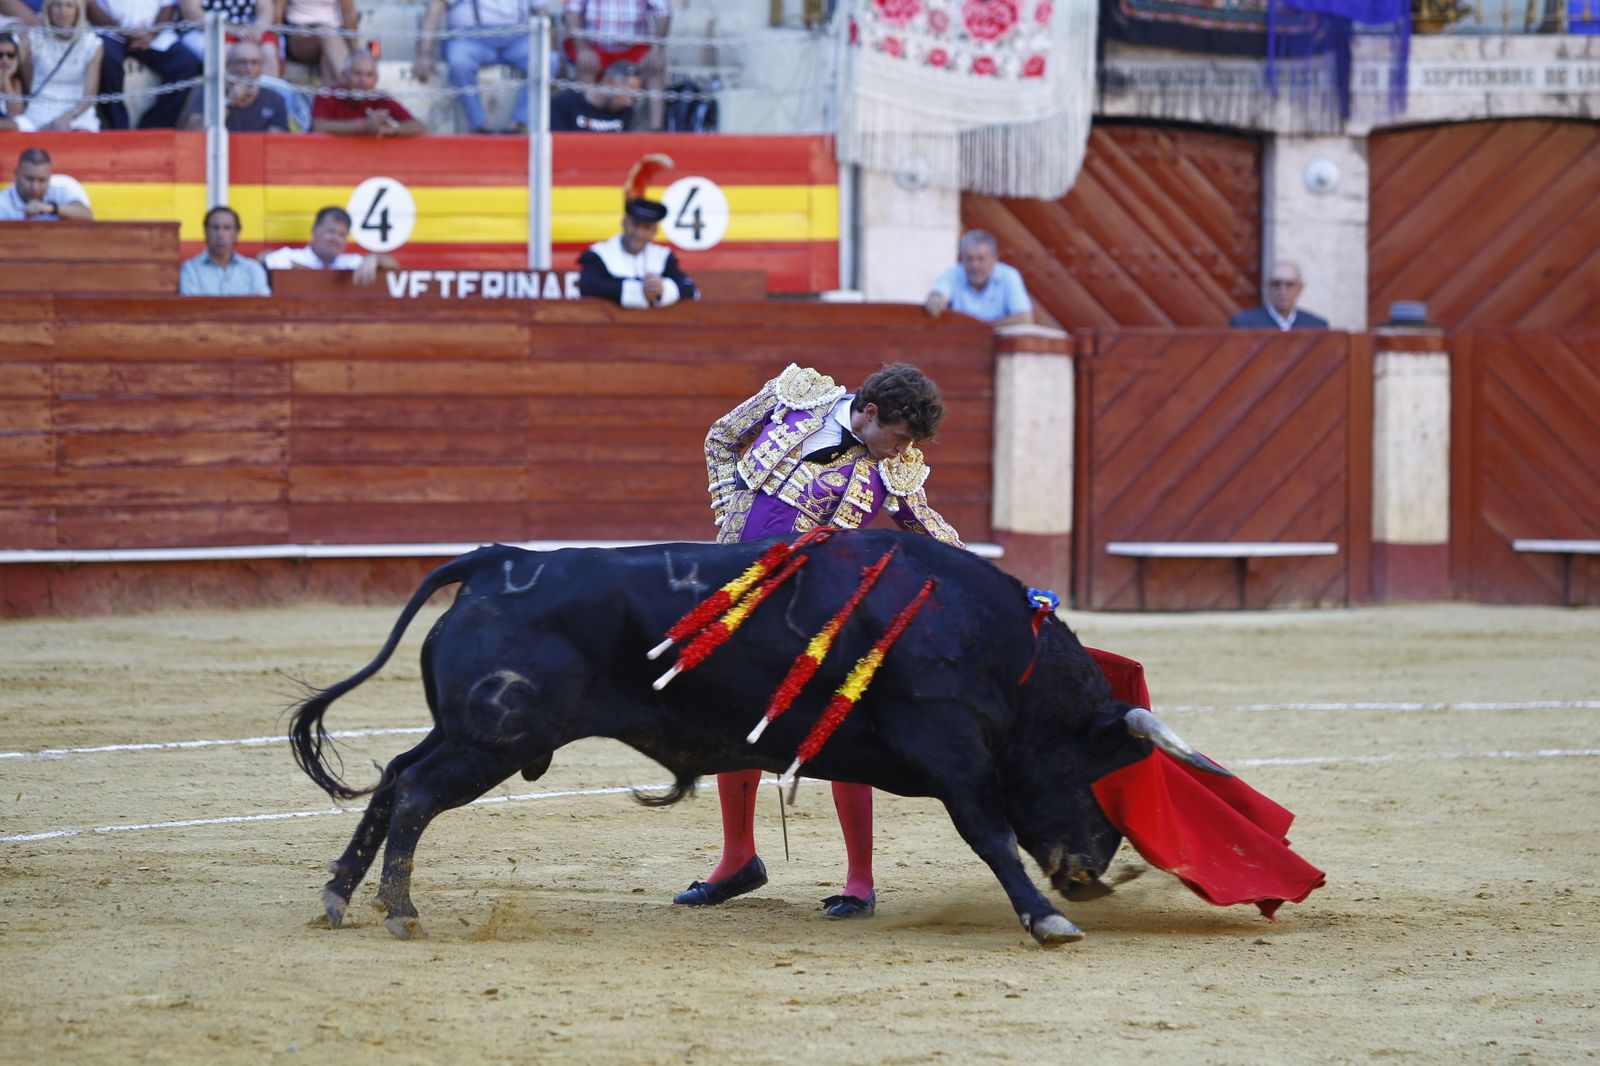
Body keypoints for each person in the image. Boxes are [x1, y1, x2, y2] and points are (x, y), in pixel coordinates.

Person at [683, 362, 964, 919]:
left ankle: (860, 879)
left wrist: (992, 586)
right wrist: (728, 512)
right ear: (872, 412)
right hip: (742, 589)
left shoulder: (897, 468)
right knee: (734, 722)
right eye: (899, 437)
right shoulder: (795, 396)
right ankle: (738, 859)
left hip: (818, 604)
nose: (899, 451)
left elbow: (931, 533)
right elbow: (721, 437)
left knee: (838, 727)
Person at [577, 153, 697, 308]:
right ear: (624, 223)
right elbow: (588, 286)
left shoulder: (662, 257)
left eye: (646, 228)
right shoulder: (600, 254)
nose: (639, 233)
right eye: (635, 225)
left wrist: (663, 289)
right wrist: (640, 291)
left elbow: (691, 290)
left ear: (654, 232)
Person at [413, 0, 548, 135]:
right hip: (471, 38)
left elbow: (542, 13)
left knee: (549, 61)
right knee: (459, 61)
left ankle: (520, 124)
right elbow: (435, 8)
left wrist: (550, 47)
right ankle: (478, 125)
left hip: (517, 39)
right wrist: (424, 53)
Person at [87, 0, 202, 129]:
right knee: (107, 60)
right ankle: (118, 129)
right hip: (110, 32)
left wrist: (151, 34)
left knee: (185, 63)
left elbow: (168, 6)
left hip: (153, 35)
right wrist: (123, 32)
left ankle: (154, 129)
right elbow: (90, 4)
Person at [562, 0, 668, 130]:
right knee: (586, 63)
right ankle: (588, 125)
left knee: (655, 65)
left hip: (634, 47)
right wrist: (582, 49)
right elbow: (571, 12)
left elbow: (664, 12)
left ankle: (656, 130)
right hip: (594, 46)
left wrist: (655, 50)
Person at [17, 0, 102, 131]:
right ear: (49, 8)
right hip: (40, 108)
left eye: (69, 5)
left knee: (81, 135)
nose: (63, 10)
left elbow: (90, 95)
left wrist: (68, 117)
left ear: (77, 10)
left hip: (77, 110)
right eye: (57, 5)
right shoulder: (33, 38)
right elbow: (26, 77)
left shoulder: (92, 43)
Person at [260, 204, 396, 284]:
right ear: (314, 231)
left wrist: (375, 258)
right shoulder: (289, 257)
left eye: (342, 235)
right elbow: (262, 259)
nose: (335, 238)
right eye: (330, 231)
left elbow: (393, 266)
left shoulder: (351, 263)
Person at [923, 229, 1032, 326]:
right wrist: (935, 299)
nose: (975, 265)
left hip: (998, 344)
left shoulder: (1009, 276)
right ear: (961, 259)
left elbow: (1023, 317)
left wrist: (984, 329)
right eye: (969, 259)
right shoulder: (952, 274)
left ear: (994, 258)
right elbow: (939, 295)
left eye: (981, 259)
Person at [179, 40, 290, 131]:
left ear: (261, 67)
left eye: (254, 62)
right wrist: (228, 103)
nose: (249, 69)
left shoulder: (274, 99)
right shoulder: (207, 93)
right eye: (242, 62)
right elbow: (194, 134)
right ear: (229, 66)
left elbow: (276, 145)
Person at [310, 49, 424, 137]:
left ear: (376, 79)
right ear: (344, 75)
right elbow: (319, 126)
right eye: (357, 73)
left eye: (369, 75)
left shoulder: (381, 98)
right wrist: (363, 126)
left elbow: (418, 126)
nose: (363, 81)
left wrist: (392, 128)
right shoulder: (327, 94)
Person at [180, 205, 271, 295]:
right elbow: (191, 308)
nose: (221, 234)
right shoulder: (190, 269)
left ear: (237, 233)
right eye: (215, 228)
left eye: (227, 228)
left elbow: (262, 307)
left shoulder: (253, 269)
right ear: (205, 232)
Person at [176, 0, 280, 79]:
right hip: (206, 29)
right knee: (226, 51)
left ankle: (267, 101)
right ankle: (227, 102)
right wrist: (230, 29)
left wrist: (257, 30)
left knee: (268, 51)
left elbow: (265, 9)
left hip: (247, 28)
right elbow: (191, 11)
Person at [1229, 261, 1329, 330]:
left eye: (1289, 284)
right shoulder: (1244, 324)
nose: (1282, 290)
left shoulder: (1316, 326)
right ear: (1266, 287)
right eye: (1276, 284)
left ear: (1299, 288)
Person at [280, 0, 358, 88]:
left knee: (328, 58)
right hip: (299, 33)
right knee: (326, 33)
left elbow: (348, 13)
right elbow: (277, 14)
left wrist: (354, 52)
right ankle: (351, 87)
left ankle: (331, 98)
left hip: (333, 35)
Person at [0, 145, 93, 219]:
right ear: (16, 174)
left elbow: (86, 216)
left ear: (50, 177)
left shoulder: (64, 187)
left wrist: (51, 208)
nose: (35, 187)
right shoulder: (3, 204)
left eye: (42, 180)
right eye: (29, 179)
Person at [549, 59, 638, 132]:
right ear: (609, 82)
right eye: (625, 94)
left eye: (633, 97)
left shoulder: (626, 112)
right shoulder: (565, 103)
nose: (629, 103)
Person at [0, 29, 28, 129]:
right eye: (0, 55)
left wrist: (6, 78)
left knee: (21, 123)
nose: (5, 59)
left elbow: (15, 113)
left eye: (10, 55)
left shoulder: (16, 82)